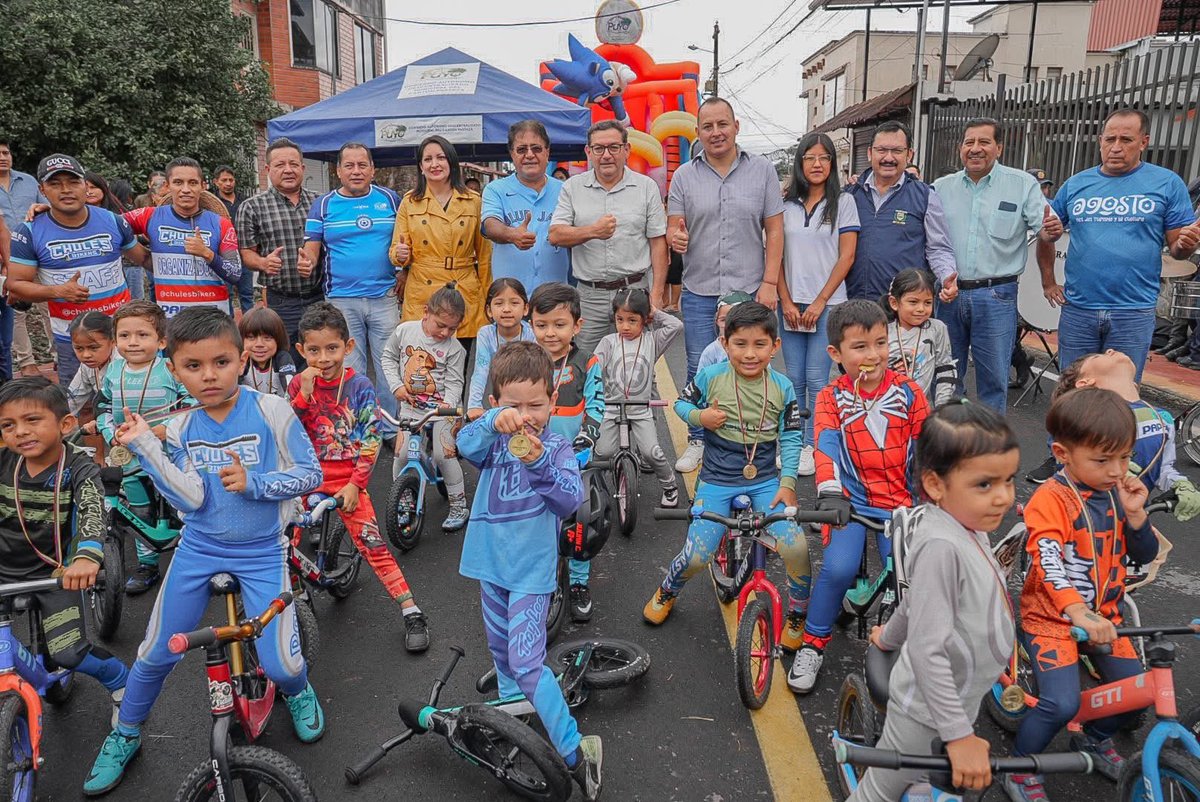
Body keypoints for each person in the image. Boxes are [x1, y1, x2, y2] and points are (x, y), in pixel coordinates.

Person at [84, 307, 325, 796]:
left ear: (241, 360)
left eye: (221, 362)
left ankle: (298, 692)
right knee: (154, 653)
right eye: (194, 366)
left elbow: (311, 474)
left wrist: (257, 483)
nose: (209, 375)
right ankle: (125, 733)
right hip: (198, 549)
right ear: (174, 370)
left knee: (281, 666)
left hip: (262, 552)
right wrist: (147, 448)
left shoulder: (271, 410)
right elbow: (191, 500)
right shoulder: (178, 427)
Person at [455, 340, 603, 801]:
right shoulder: (492, 442)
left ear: (552, 401)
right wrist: (489, 422)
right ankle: (512, 717)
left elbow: (567, 499)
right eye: (513, 406)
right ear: (495, 402)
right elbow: (463, 444)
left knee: (525, 661)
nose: (524, 416)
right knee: (501, 654)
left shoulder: (556, 448)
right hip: (489, 565)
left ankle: (576, 749)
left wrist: (537, 461)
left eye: (535, 405)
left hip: (531, 573)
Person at [851, 400, 1019, 801]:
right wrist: (958, 736)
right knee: (877, 793)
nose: (1003, 498)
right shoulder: (942, 546)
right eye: (985, 484)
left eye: (1009, 481)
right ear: (936, 485)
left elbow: (917, 602)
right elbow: (928, 649)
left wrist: (888, 638)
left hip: (956, 699)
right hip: (924, 714)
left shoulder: (968, 523)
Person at [1003, 388, 1156, 802]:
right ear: (1062, 453)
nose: (1117, 470)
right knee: (1060, 703)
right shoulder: (1051, 499)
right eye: (1102, 460)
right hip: (1051, 620)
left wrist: (1136, 515)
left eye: (1124, 458)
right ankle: (1019, 769)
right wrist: (1076, 612)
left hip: (1104, 617)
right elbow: (1048, 562)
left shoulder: (1118, 492)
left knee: (1138, 693)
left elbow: (1144, 555)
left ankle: (1094, 737)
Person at [791, 300, 930, 693]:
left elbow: (928, 445)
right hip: (850, 503)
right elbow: (826, 447)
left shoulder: (909, 391)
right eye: (860, 347)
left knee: (908, 574)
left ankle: (912, 650)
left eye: (881, 343)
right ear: (835, 353)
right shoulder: (829, 398)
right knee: (838, 569)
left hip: (901, 503)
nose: (874, 355)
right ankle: (813, 643)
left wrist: (934, 492)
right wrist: (830, 493)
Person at [643, 302, 808, 633]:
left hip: (764, 480)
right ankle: (668, 590)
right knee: (696, 555)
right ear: (724, 343)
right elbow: (681, 403)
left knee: (798, 549)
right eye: (740, 344)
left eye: (760, 344)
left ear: (775, 346)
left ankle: (798, 614)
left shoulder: (783, 387)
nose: (750, 354)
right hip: (716, 479)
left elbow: (791, 438)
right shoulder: (711, 376)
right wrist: (700, 417)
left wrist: (788, 483)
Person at [289, 302, 431, 652]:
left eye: (332, 348)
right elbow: (287, 431)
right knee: (283, 542)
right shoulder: (297, 384)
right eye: (314, 350)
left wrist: (356, 484)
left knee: (373, 545)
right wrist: (303, 395)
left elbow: (371, 439)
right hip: (306, 477)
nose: (324, 358)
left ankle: (411, 610)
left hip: (348, 479)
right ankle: (296, 596)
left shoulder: (360, 385)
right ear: (301, 350)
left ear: (348, 347)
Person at [0, 378, 132, 730]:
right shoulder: (4, 461)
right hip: (4, 570)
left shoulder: (78, 467)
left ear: (66, 424)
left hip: (56, 574)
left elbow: (91, 510)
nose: (20, 432)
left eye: (32, 420)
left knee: (69, 652)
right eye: (8, 425)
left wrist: (86, 557)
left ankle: (120, 681)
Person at [666, 98, 785, 475]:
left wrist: (770, 282)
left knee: (755, 366)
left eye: (722, 124)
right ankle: (698, 440)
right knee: (698, 367)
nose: (716, 132)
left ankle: (761, 439)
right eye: (707, 126)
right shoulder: (683, 176)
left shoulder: (762, 170)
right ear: (697, 132)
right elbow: (673, 227)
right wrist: (675, 238)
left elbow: (775, 229)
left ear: (736, 126)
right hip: (700, 290)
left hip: (749, 289)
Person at [1042, 108, 1199, 382]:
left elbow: (1178, 249)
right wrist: (1048, 282)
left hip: (1133, 312)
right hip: (1079, 310)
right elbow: (1046, 233)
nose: (1116, 147)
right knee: (1073, 390)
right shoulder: (1076, 184)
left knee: (1120, 391)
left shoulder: (1167, 183)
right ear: (1100, 141)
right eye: (1109, 139)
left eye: (1126, 140)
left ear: (1144, 142)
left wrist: (1186, 243)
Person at [932, 118, 1060, 414]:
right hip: (948, 296)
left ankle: (990, 442)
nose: (975, 149)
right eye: (969, 142)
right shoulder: (940, 188)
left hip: (996, 296)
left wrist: (1050, 232)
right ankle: (951, 437)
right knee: (946, 378)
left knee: (993, 381)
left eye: (984, 142)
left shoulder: (1022, 184)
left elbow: (1044, 229)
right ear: (960, 148)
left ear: (999, 148)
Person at [7, 154, 142, 386]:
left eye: (73, 182)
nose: (66, 190)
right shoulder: (28, 231)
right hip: (72, 340)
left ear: (85, 186)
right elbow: (16, 285)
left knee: (130, 398)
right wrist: (58, 291)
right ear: (42, 189)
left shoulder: (113, 220)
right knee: (77, 402)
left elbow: (145, 258)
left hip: (119, 334)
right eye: (55, 183)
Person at [301, 142, 402, 433]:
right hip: (341, 300)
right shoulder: (323, 204)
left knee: (388, 367)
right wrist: (306, 263)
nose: (356, 171)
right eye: (349, 165)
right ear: (338, 171)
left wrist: (403, 271)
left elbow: (404, 240)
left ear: (373, 169)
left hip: (384, 297)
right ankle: (358, 429)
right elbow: (311, 251)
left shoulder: (390, 199)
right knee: (351, 370)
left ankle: (389, 430)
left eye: (362, 165)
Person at [777, 132, 860, 477]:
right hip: (790, 304)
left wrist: (820, 301)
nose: (817, 164)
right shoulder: (784, 204)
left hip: (828, 304)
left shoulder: (844, 202)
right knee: (793, 378)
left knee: (817, 378)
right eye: (810, 157)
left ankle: (814, 444)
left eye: (824, 158)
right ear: (799, 162)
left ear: (832, 164)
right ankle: (793, 442)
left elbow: (847, 256)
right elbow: (775, 255)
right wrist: (785, 300)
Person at [95, 302, 191, 594]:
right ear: (115, 341)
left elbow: (190, 405)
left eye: (142, 335)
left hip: (167, 456)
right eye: (124, 336)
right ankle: (147, 565)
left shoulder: (170, 369)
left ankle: (192, 558)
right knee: (140, 511)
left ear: (161, 342)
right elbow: (102, 407)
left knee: (181, 506)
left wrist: (164, 431)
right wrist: (111, 433)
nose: (133, 342)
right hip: (129, 459)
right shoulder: (113, 371)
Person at [549, 120, 668, 354]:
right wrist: (593, 231)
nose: (606, 155)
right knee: (588, 363)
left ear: (627, 149)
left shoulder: (646, 187)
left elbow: (658, 244)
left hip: (634, 292)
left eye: (614, 147)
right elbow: (555, 234)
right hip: (590, 297)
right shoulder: (572, 187)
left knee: (635, 363)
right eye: (599, 148)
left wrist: (656, 295)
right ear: (588, 152)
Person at [528, 283, 604, 621]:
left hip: (575, 459)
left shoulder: (588, 361)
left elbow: (597, 406)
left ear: (577, 325)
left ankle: (578, 582)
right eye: (541, 325)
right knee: (536, 522)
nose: (550, 333)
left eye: (559, 325)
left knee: (578, 526)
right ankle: (540, 581)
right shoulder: (524, 360)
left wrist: (585, 440)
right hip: (533, 458)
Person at [1051, 350, 1200, 521]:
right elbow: (1066, 463)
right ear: (1085, 384)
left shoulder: (1162, 418)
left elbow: (1162, 468)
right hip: (1081, 516)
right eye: (1099, 356)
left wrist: (1179, 483)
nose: (1109, 350)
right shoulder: (1087, 417)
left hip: (1129, 518)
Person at [380, 283, 470, 531]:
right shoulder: (404, 332)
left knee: (443, 455)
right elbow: (388, 357)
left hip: (443, 411)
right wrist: (397, 386)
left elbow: (455, 383)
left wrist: (448, 405)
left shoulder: (454, 349)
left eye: (452, 328)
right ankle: (403, 503)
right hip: (412, 407)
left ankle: (458, 505)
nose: (445, 332)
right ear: (426, 312)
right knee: (401, 455)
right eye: (440, 325)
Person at [391, 137, 493, 351]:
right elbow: (396, 250)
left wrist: (488, 299)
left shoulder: (473, 201)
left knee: (462, 360)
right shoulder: (409, 202)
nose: (434, 164)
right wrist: (399, 255)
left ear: (452, 162)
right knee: (421, 363)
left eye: (441, 157)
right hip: (423, 291)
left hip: (463, 288)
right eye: (428, 159)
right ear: (420, 166)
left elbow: (485, 257)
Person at [843, 121, 959, 304]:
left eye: (897, 151)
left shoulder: (925, 196)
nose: (888, 158)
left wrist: (946, 277)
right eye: (881, 150)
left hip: (903, 307)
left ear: (909, 154)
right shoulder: (850, 194)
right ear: (870, 153)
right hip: (854, 303)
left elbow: (938, 248)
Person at [594, 288, 682, 509]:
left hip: (641, 409)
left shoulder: (653, 341)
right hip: (612, 408)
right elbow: (594, 368)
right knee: (603, 452)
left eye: (632, 320)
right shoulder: (608, 342)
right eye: (620, 320)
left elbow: (676, 325)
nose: (625, 326)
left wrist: (655, 311)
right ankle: (595, 487)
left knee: (652, 452)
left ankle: (670, 486)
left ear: (644, 319)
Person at [124, 157, 243, 318]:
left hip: (213, 320)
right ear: (167, 186)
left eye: (193, 183)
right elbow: (111, 226)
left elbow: (235, 273)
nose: (186, 189)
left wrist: (207, 253)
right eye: (178, 182)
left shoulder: (221, 224)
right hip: (171, 320)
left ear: (203, 186)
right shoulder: (149, 216)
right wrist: (135, 250)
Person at [237, 139, 321, 363]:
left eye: (293, 164)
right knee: (285, 359)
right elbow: (246, 253)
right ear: (268, 169)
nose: (288, 170)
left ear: (303, 167)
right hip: (281, 302)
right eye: (280, 165)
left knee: (320, 359)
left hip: (319, 297)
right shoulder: (252, 207)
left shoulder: (320, 202)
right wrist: (263, 263)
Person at [481, 120, 570, 292]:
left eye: (536, 148)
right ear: (512, 154)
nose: (529, 155)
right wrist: (511, 234)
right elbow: (490, 225)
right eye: (521, 149)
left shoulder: (565, 190)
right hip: (511, 299)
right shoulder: (495, 189)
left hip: (555, 297)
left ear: (547, 152)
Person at [884, 269, 956, 407]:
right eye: (913, 302)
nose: (921, 309)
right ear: (894, 303)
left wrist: (942, 408)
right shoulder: (882, 331)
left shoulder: (937, 329)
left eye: (927, 302)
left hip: (920, 410)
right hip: (886, 409)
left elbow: (945, 368)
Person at [467, 277, 535, 420]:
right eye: (499, 303)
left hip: (527, 394)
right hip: (498, 394)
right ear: (489, 310)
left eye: (514, 303)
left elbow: (536, 372)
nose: (506, 309)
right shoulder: (486, 334)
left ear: (525, 308)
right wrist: (474, 405)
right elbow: (480, 371)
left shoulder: (531, 333)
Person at [84, 170, 144, 301]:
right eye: (85, 188)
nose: (89, 192)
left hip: (127, 266)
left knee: (134, 304)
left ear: (103, 189)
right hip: (94, 274)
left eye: (93, 187)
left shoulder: (117, 215)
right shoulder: (73, 218)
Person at [211, 165, 253, 315]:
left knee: (247, 294)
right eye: (224, 180)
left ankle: (249, 324)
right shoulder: (213, 203)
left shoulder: (245, 201)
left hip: (244, 252)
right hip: (223, 255)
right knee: (226, 294)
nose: (228, 183)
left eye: (231, 180)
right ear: (216, 182)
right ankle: (229, 324)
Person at [66, 311, 115, 420]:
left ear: (113, 342)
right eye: (79, 348)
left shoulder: (126, 364)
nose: (86, 355)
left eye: (93, 348)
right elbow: (73, 399)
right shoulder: (87, 366)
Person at [239, 307, 295, 399]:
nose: (259, 344)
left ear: (278, 339)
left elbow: (291, 390)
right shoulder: (243, 360)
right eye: (251, 337)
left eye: (267, 338)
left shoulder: (283, 358)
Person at [695, 291, 754, 373]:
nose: (729, 325)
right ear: (716, 321)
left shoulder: (757, 349)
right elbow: (701, 378)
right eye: (723, 320)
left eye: (738, 320)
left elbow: (767, 376)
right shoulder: (711, 352)